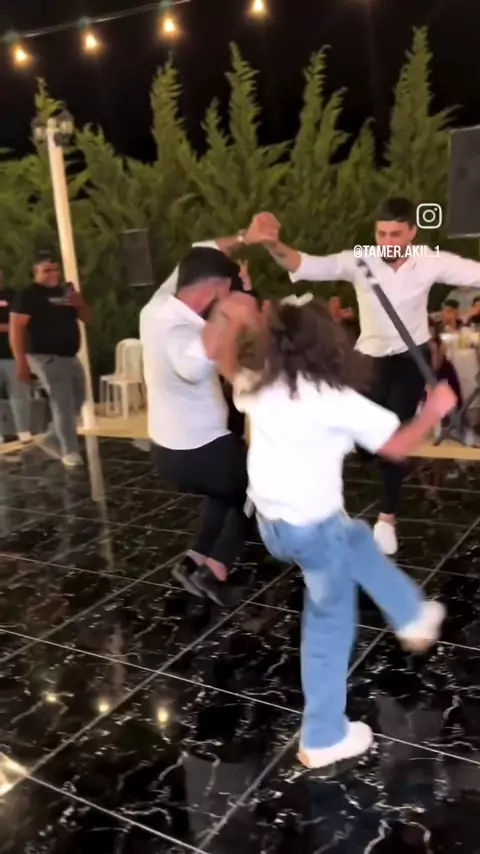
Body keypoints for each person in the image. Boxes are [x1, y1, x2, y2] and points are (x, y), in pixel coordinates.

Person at [230, 296, 455, 770]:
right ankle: (324, 736)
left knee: (354, 536)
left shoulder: (255, 380)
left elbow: (229, 357)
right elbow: (396, 446)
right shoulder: (333, 398)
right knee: (330, 623)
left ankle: (411, 614)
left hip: (271, 523)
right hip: (311, 531)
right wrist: (434, 409)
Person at [250, 199, 480, 555]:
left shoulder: (430, 261)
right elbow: (303, 264)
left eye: (396, 234)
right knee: (358, 438)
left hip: (410, 359)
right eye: (381, 233)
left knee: (393, 430)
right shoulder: (359, 260)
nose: (387, 241)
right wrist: (272, 244)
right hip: (368, 360)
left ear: (412, 233)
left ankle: (387, 519)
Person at [140, 245, 261, 606]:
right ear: (215, 289)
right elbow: (192, 365)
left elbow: (198, 250)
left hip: (167, 450)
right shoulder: (183, 333)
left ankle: (192, 562)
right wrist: (231, 314)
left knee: (225, 493)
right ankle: (216, 570)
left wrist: (243, 238)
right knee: (262, 489)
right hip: (202, 451)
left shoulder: (155, 308)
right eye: (227, 291)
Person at [9, 256, 91, 467]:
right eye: (46, 270)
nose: (53, 273)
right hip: (45, 356)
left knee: (79, 399)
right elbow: (16, 329)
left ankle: (51, 438)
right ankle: (69, 452)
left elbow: (88, 318)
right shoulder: (28, 295)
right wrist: (21, 362)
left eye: (55, 269)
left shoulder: (65, 292)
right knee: (63, 404)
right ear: (36, 273)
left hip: (70, 356)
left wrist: (80, 304)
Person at [0, 269, 32, 445]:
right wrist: (8, 327)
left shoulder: (14, 297)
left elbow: (21, 324)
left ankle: (23, 431)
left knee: (19, 395)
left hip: (13, 355)